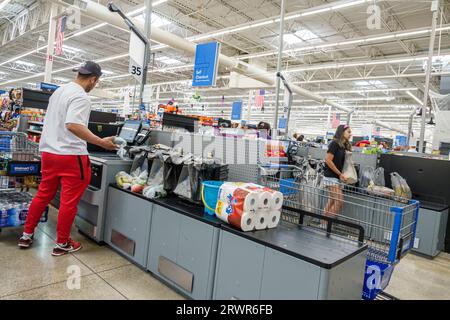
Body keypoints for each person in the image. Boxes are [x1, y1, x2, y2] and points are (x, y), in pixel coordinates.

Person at [18, 61, 118, 256]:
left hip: (49, 154)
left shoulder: (59, 91)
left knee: (42, 195)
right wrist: (101, 142)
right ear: (93, 80)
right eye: (95, 82)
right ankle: (62, 243)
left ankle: (26, 234)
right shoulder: (81, 96)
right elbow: (73, 125)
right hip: (71, 156)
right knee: (68, 202)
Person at [322, 124, 352, 218]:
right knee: (339, 201)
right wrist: (340, 174)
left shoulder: (343, 145)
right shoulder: (334, 143)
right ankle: (327, 223)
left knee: (332, 200)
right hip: (330, 176)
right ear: (342, 132)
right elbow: (328, 160)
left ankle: (323, 222)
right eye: (348, 132)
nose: (350, 134)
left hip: (336, 177)